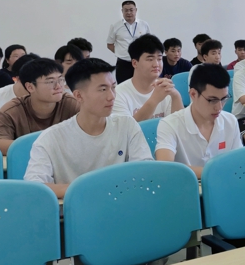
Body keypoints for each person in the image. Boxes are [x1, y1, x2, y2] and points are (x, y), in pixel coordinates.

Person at [23, 57, 152, 200]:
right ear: (78, 95)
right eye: (103, 89)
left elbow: (145, 171)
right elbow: (34, 186)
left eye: (113, 87)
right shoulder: (51, 138)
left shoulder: (126, 125)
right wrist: (89, 188)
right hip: (76, 209)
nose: (111, 96)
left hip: (122, 204)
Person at [155, 63, 241, 177]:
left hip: (222, 184)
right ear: (193, 94)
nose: (219, 107)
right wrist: (216, 173)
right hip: (186, 186)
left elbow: (238, 164)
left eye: (224, 99)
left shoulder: (230, 121)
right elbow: (166, 167)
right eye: (212, 100)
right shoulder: (170, 124)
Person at [0, 58, 80, 156]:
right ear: (30, 87)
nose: (58, 86)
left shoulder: (72, 104)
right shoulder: (12, 110)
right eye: (50, 81)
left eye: (60, 80)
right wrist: (43, 147)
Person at [112, 35, 182, 121]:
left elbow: (178, 125)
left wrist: (176, 96)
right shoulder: (118, 94)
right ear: (135, 63)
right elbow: (126, 128)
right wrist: (154, 100)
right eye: (150, 59)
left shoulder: (165, 88)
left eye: (159, 59)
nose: (156, 64)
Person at [107, 0, 151, 83]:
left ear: (136, 10)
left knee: (142, 85)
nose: (129, 13)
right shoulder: (115, 26)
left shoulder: (144, 25)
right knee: (122, 87)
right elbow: (110, 44)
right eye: (126, 10)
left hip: (140, 62)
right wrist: (120, 52)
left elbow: (149, 42)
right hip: (123, 63)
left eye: (131, 10)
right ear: (122, 11)